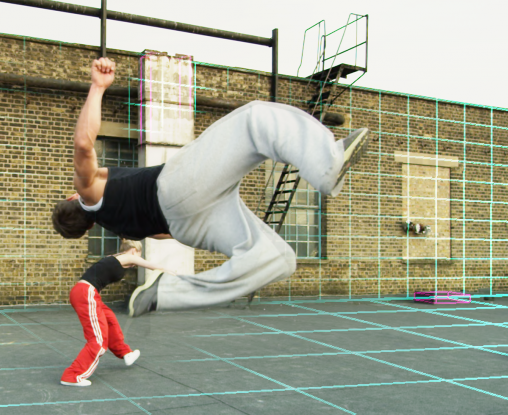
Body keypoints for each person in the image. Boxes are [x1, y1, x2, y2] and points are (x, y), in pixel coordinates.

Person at [52, 57, 372, 318]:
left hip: (186, 226)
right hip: (175, 190)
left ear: (88, 228)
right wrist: (98, 86)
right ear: (73, 197)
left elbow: (162, 233)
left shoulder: (114, 222)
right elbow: (83, 143)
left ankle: (167, 294)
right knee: (254, 121)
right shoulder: (88, 190)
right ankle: (328, 163)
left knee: (276, 258)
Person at [60, 239, 174, 386]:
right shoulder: (129, 256)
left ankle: (125, 353)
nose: (134, 263)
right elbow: (150, 265)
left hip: (88, 293)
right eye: (138, 255)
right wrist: (171, 273)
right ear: (134, 250)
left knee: (110, 319)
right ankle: (72, 376)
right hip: (85, 293)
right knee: (98, 341)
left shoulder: (114, 257)